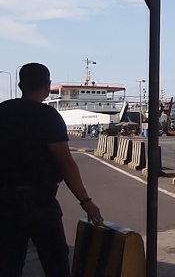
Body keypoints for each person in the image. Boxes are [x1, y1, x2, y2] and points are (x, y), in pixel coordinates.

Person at [0, 63, 103, 277]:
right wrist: (86, 202)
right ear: (47, 86)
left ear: (20, 85)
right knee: (55, 261)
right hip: (40, 202)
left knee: (8, 263)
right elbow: (66, 163)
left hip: (5, 201)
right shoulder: (48, 116)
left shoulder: (3, 111)